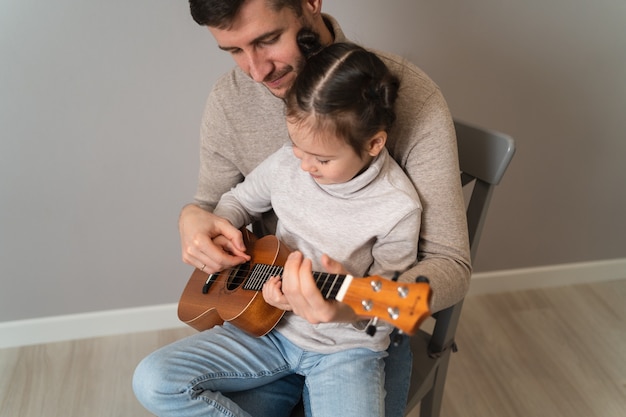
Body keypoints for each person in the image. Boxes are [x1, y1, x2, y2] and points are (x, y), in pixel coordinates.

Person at [136, 1, 471, 416]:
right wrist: (193, 216)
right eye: (234, 51)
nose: (256, 71)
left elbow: (447, 265)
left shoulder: (411, 111)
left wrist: (349, 304)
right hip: (265, 321)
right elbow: (220, 200)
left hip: (354, 335)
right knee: (157, 381)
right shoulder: (251, 121)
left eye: (267, 40)